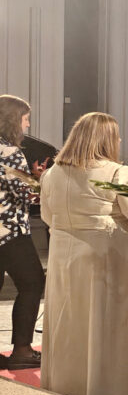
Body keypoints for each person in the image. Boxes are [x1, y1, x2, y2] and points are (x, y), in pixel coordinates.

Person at [40, 112, 128, 395]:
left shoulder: (52, 173)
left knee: (69, 318)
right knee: (104, 319)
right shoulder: (118, 172)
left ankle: (67, 384)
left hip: (63, 255)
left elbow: (47, 216)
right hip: (105, 256)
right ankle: (106, 389)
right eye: (116, 135)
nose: (120, 140)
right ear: (106, 139)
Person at [0, 95, 46, 370]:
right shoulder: (10, 153)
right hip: (10, 231)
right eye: (25, 119)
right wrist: (38, 179)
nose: (27, 125)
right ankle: (22, 350)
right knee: (32, 284)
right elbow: (28, 195)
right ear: (13, 120)